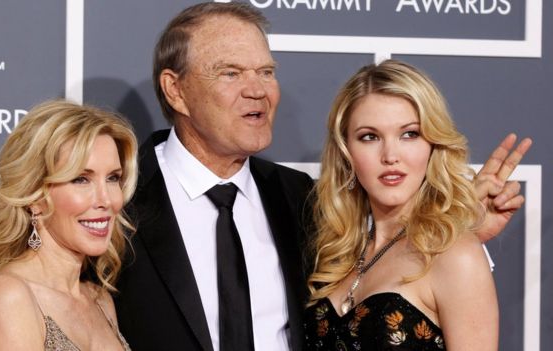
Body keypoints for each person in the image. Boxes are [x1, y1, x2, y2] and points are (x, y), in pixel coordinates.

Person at [114, 3, 530, 351]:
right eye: (231, 73)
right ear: (175, 90)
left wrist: (459, 232)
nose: (258, 90)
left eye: (266, 71)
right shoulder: (116, 201)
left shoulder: (297, 200)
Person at [303, 60, 530, 350]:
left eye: (409, 134)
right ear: (346, 152)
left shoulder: (455, 256)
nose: (390, 155)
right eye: (369, 137)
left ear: (433, 145)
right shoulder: (335, 253)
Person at [0, 100, 138, 350]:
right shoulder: (10, 296)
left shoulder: (99, 300)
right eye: (81, 179)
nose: (107, 200)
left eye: (113, 178)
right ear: (35, 197)